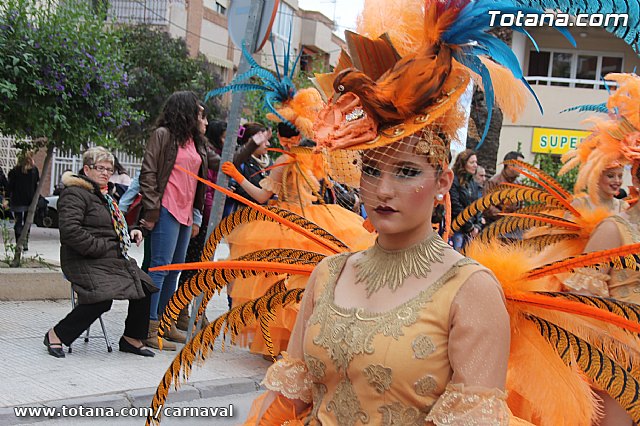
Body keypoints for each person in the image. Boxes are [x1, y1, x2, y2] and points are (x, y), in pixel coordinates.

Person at [221, 121, 375, 357]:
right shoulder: (311, 160)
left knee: (280, 281)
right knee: (299, 280)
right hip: (309, 221)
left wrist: (238, 177)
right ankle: (296, 342)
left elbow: (262, 196)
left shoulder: (290, 160)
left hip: (290, 222)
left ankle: (283, 343)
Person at [43, 147, 157, 358]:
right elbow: (70, 232)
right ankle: (56, 334)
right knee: (102, 298)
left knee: (145, 285)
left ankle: (131, 338)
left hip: (110, 258)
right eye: (100, 168)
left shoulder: (105, 196)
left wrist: (130, 232)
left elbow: (112, 226)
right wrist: (101, 248)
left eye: (109, 169)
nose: (106, 173)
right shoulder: (74, 193)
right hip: (83, 259)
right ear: (87, 169)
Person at [138, 91, 210, 350]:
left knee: (174, 271)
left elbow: (220, 163)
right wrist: (152, 208)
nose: (201, 118)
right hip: (166, 209)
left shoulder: (195, 141)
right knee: (160, 268)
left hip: (186, 212)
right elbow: (147, 173)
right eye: (198, 112)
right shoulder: (162, 135)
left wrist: (250, 146)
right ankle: (148, 326)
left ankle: (166, 324)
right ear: (184, 110)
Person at [449, 149, 482, 250]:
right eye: (472, 162)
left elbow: (478, 205)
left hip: (472, 231)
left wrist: (477, 225)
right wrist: (469, 226)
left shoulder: (473, 183)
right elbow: (455, 205)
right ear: (463, 164)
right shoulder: (454, 181)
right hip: (457, 228)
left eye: (476, 162)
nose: (475, 165)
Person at [483, 151, 525, 225]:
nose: (522, 168)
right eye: (520, 165)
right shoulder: (493, 182)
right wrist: (503, 217)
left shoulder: (519, 184)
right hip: (494, 225)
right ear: (510, 165)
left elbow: (522, 206)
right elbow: (487, 205)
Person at [8, 151, 39, 250]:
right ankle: (25, 242)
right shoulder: (34, 171)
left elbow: (10, 186)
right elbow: (36, 184)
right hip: (30, 200)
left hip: (17, 200)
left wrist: (8, 198)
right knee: (27, 222)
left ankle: (18, 242)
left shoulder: (14, 171)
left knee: (18, 222)